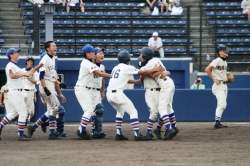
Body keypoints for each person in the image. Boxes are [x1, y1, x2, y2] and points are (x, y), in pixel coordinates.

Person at [106, 50, 162, 141]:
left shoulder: (115, 67)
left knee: (120, 111)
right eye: (129, 58)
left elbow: (125, 80)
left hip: (109, 94)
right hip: (117, 93)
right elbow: (142, 72)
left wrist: (137, 81)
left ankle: (118, 133)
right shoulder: (127, 67)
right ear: (127, 59)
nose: (130, 59)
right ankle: (137, 135)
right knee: (133, 112)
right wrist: (155, 69)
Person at [0, 48, 42, 141]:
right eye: (16, 53)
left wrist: (37, 67)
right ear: (11, 55)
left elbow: (29, 73)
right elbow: (12, 76)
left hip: (17, 92)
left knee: (13, 113)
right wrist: (22, 75)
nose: (18, 54)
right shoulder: (10, 65)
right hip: (15, 91)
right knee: (23, 113)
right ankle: (20, 134)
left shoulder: (16, 67)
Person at [28, 41, 67, 140]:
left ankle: (33, 127)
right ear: (48, 49)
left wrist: (59, 83)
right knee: (57, 107)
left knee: (51, 110)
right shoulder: (45, 59)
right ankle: (53, 132)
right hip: (45, 84)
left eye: (56, 46)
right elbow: (41, 76)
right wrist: (45, 88)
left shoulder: (52, 58)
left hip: (49, 84)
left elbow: (53, 76)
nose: (56, 47)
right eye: (53, 46)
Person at [139, 47, 179, 140]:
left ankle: (169, 128)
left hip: (164, 86)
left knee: (161, 108)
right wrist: (161, 71)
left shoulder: (148, 65)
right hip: (169, 83)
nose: (140, 55)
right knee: (167, 107)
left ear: (145, 56)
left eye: (141, 54)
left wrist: (159, 71)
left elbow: (150, 74)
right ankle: (169, 127)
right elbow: (163, 71)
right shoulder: (156, 60)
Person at [75, 44, 111, 140]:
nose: (95, 54)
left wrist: (102, 91)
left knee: (97, 110)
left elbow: (101, 76)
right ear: (88, 54)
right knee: (89, 110)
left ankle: (94, 131)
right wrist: (113, 75)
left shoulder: (92, 64)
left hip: (90, 89)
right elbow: (99, 73)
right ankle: (81, 130)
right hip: (83, 88)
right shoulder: (86, 63)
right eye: (94, 52)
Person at [137, 56, 170, 140]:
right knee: (154, 112)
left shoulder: (150, 66)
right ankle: (148, 133)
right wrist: (155, 69)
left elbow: (164, 71)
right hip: (150, 92)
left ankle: (158, 129)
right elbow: (142, 76)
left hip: (159, 90)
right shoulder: (144, 70)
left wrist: (166, 72)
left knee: (163, 110)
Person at [205, 44, 231, 129]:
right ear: (220, 52)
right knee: (222, 104)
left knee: (223, 105)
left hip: (224, 85)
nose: (226, 52)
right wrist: (214, 79)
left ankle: (217, 121)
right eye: (224, 50)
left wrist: (227, 75)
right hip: (218, 85)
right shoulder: (217, 60)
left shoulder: (224, 61)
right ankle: (217, 123)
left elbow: (220, 72)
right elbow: (207, 69)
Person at [90, 47, 107, 139]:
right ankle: (94, 132)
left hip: (97, 91)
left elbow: (102, 80)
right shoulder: (90, 65)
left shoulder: (102, 67)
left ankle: (98, 131)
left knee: (99, 111)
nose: (102, 55)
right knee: (94, 111)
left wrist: (103, 91)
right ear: (94, 55)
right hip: (90, 90)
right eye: (99, 53)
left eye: (102, 53)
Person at [21, 56, 39, 124]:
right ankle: (23, 119)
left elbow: (37, 82)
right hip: (22, 91)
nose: (30, 62)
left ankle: (27, 118)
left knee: (31, 111)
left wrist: (30, 79)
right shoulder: (21, 71)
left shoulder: (34, 72)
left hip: (31, 91)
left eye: (31, 61)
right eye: (28, 61)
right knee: (22, 106)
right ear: (26, 62)